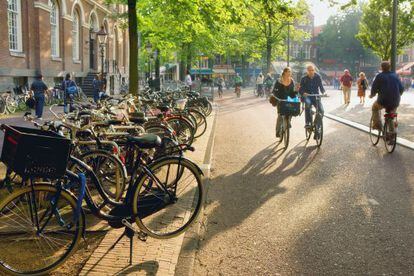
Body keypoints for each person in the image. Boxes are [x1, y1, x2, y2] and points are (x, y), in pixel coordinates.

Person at [370, 61, 404, 133]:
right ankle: (392, 134)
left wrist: (372, 95)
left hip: (383, 101)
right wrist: (397, 95)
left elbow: (374, 88)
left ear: (381, 68)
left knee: (374, 108)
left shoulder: (379, 76)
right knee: (390, 115)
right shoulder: (395, 76)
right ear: (390, 67)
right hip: (395, 101)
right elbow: (402, 88)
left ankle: (378, 125)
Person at [299, 65, 326, 130]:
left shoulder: (318, 77)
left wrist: (324, 93)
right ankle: (308, 122)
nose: (311, 72)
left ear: (314, 70)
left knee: (321, 111)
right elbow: (300, 89)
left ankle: (316, 124)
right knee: (307, 105)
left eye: (312, 70)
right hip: (307, 96)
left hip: (316, 96)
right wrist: (303, 93)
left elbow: (321, 87)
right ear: (307, 71)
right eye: (309, 70)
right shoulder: (304, 79)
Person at [272, 67, 297, 137]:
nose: (290, 73)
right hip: (280, 100)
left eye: (290, 72)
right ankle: (278, 131)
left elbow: (292, 91)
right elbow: (274, 90)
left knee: (292, 111)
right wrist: (273, 94)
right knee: (280, 115)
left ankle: (288, 121)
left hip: (289, 99)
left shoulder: (291, 81)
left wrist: (296, 93)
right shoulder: (279, 80)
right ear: (284, 72)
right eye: (288, 71)